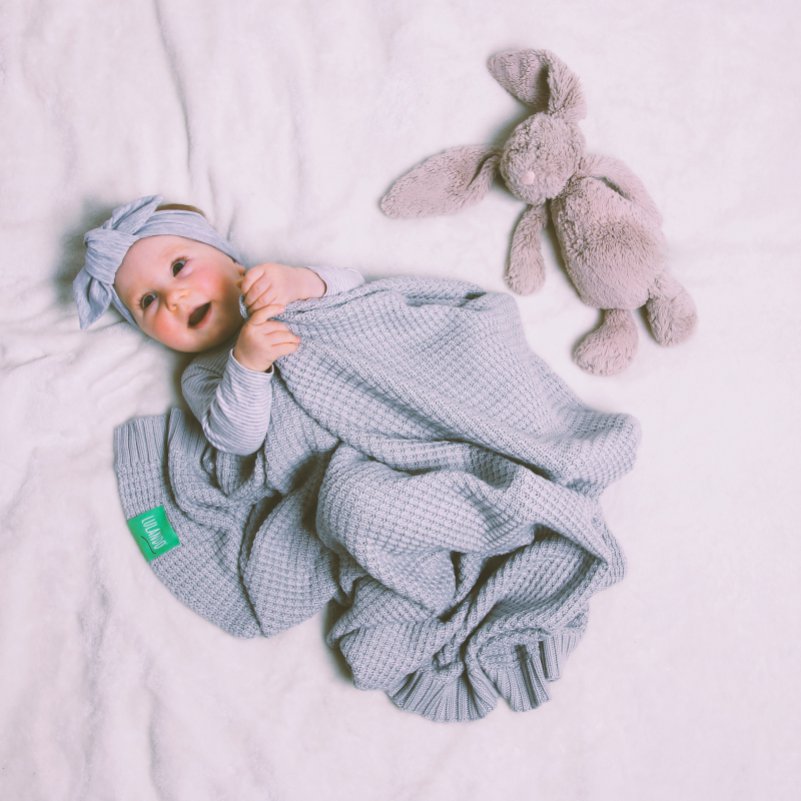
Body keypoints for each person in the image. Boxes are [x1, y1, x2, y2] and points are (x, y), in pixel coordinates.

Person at [73, 195, 364, 455]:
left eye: (178, 267)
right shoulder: (202, 375)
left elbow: (359, 291)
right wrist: (248, 366)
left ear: (233, 262)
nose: (173, 298)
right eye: (148, 300)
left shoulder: (278, 286)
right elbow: (237, 442)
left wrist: (300, 282)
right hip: (340, 455)